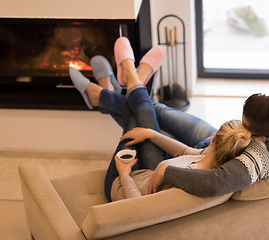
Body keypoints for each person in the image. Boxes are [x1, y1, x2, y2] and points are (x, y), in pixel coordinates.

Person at [71, 38, 269, 198]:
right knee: (156, 112)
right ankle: (122, 85)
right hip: (211, 144)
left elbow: (216, 182)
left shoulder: (257, 159)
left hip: (215, 149)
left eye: (245, 125)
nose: (240, 123)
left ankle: (124, 79)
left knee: (149, 113)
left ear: (261, 137)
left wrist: (166, 171)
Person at [70, 37, 252, 201]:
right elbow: (186, 152)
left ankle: (125, 79)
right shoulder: (211, 160)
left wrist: (124, 174)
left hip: (122, 184)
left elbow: (140, 205)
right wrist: (151, 135)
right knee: (144, 121)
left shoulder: (189, 179)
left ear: (213, 139)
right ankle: (121, 86)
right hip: (150, 173)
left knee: (138, 116)